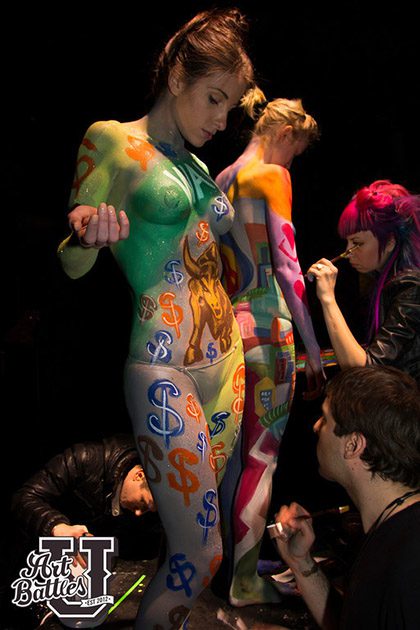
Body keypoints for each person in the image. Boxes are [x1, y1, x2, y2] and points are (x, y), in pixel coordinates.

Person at [57, 8, 255, 628]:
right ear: (175, 77)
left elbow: (221, 262)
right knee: (202, 552)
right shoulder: (111, 140)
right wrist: (86, 236)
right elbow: (71, 263)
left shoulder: (197, 167)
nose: (221, 120)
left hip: (226, 366)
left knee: (191, 546)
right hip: (165, 372)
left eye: (231, 107)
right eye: (214, 99)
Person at [215, 89, 325, 606]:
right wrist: (313, 349)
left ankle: (231, 567)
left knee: (234, 461)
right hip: (267, 328)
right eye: (295, 151)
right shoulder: (272, 175)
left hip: (227, 330)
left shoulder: (222, 179)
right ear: (284, 134)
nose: (292, 163)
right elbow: (286, 265)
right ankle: (244, 582)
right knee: (261, 460)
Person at [272, 365, 420, 629]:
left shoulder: (407, 568)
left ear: (353, 445)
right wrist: (300, 562)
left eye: (325, 419)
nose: (316, 426)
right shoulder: (391, 528)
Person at [6, 434, 159, 629]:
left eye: (147, 510)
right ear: (139, 476)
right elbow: (23, 498)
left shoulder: (142, 494)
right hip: (31, 555)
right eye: (143, 503)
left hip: (78, 568)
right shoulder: (84, 458)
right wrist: (57, 527)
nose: (139, 513)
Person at [307, 179, 420, 384]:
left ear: (390, 242)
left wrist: (328, 299)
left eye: (357, 243)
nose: (347, 252)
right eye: (348, 242)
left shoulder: (411, 288)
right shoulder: (379, 281)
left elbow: (366, 371)